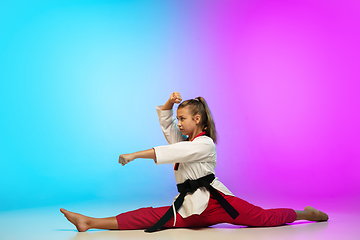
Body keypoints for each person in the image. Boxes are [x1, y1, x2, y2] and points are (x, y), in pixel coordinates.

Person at [60, 92, 328, 232]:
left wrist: (134, 155)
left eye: (183, 119)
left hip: (217, 203)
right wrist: (168, 103)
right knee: (150, 215)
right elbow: (168, 130)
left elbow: (170, 151)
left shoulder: (203, 144)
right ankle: (90, 222)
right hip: (191, 207)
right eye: (178, 119)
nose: (178, 123)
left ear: (197, 120)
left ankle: (306, 213)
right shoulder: (186, 140)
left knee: (264, 218)